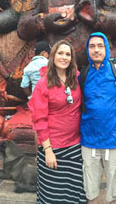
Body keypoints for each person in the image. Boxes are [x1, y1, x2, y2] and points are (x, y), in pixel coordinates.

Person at [80, 32, 116, 204]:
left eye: (100, 46)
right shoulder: (83, 76)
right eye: (92, 46)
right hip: (89, 142)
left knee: (115, 194)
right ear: (87, 50)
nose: (96, 50)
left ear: (106, 48)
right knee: (91, 194)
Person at [28, 40, 87, 204]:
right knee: (53, 193)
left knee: (74, 192)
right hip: (53, 146)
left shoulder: (76, 78)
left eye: (68, 54)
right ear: (52, 56)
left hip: (75, 146)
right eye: (60, 53)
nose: (64, 57)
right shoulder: (43, 83)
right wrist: (48, 151)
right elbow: (39, 120)